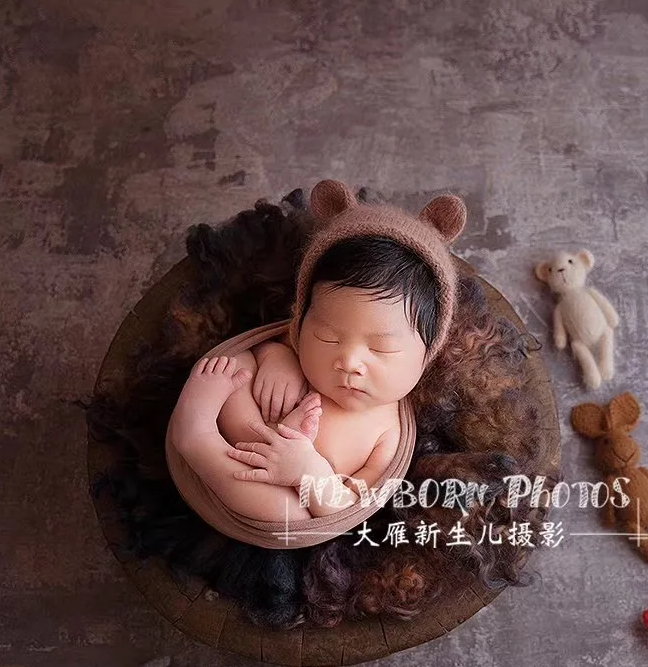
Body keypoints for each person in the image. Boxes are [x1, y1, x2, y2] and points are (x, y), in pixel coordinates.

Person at [167, 179, 466, 524]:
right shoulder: (294, 345)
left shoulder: (389, 434)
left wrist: (309, 472)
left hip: (274, 491)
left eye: (381, 347)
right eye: (328, 337)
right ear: (301, 321)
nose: (350, 362)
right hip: (248, 426)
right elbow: (271, 345)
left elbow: (349, 508)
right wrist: (275, 359)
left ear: (427, 353)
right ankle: (208, 421)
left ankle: (197, 438)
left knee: (290, 515)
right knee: (235, 363)